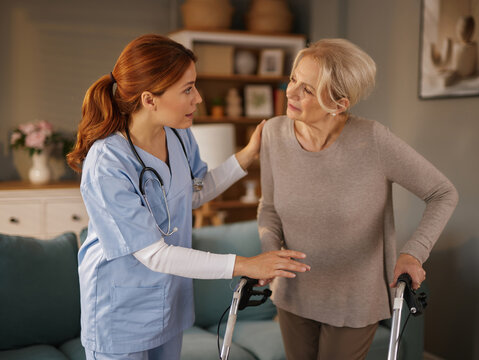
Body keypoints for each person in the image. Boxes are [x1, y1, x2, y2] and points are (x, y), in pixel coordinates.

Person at [66, 34, 310, 360]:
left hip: (168, 303)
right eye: (187, 89)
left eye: (194, 86)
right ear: (149, 99)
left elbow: (194, 193)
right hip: (120, 313)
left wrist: (247, 156)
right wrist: (245, 264)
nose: (198, 98)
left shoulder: (179, 136)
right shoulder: (108, 161)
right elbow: (153, 254)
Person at [257, 38, 459, 360]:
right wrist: (270, 252)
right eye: (294, 79)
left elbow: (443, 193)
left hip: (353, 299)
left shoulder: (373, 140)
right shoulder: (272, 134)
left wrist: (413, 253)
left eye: (307, 90)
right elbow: (268, 207)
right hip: (293, 293)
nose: (290, 92)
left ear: (338, 104)